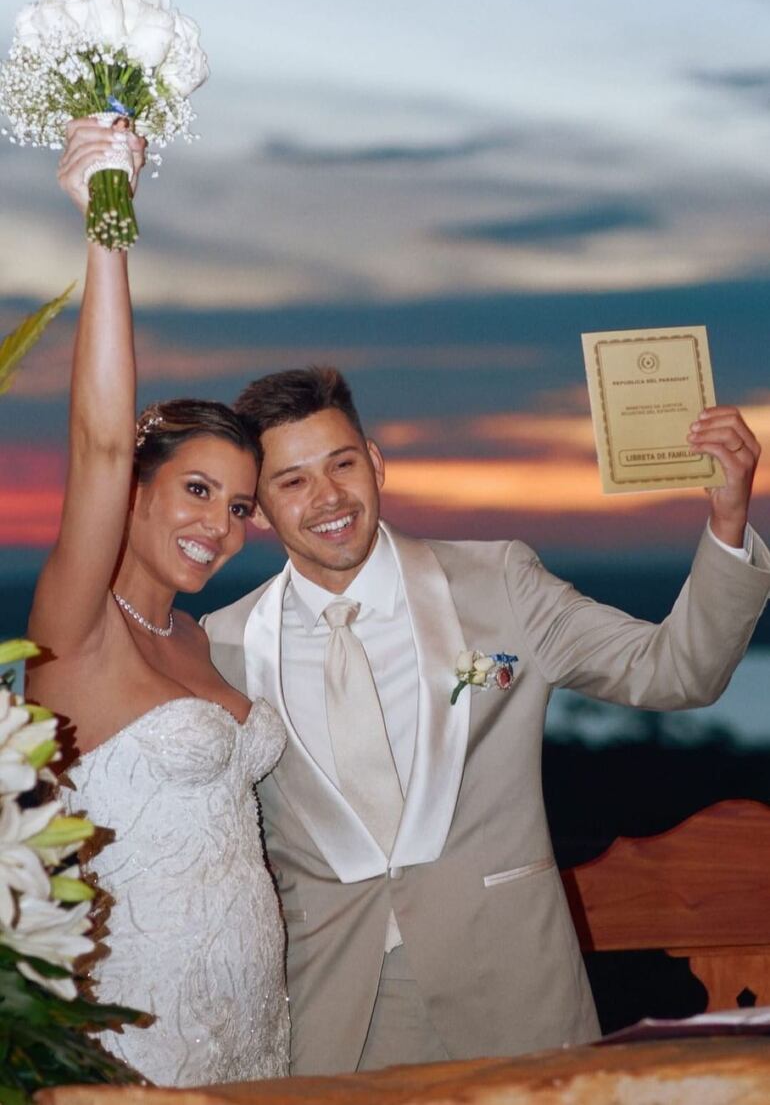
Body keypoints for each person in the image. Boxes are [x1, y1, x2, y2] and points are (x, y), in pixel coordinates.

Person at [202, 365, 770, 1076]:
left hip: (514, 993)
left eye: (342, 464)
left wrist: (725, 521)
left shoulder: (499, 580)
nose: (328, 497)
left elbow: (676, 670)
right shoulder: (220, 643)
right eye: (293, 481)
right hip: (332, 1017)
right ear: (258, 508)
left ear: (375, 464)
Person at [26, 120, 290, 1088]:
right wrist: (107, 218)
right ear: (133, 489)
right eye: (195, 490)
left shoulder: (196, 639)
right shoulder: (73, 629)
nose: (219, 525)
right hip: (137, 1029)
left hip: (257, 1020)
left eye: (238, 506)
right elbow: (97, 438)